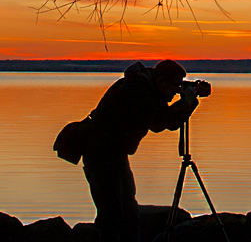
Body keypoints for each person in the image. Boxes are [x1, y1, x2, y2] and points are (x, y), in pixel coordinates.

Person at [81, 59, 204, 242]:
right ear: (161, 80)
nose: (175, 92)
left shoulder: (149, 88)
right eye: (174, 86)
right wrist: (187, 101)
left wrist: (188, 101)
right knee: (112, 214)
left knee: (129, 213)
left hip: (115, 154)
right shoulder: (139, 90)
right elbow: (159, 122)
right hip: (101, 153)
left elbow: (167, 121)